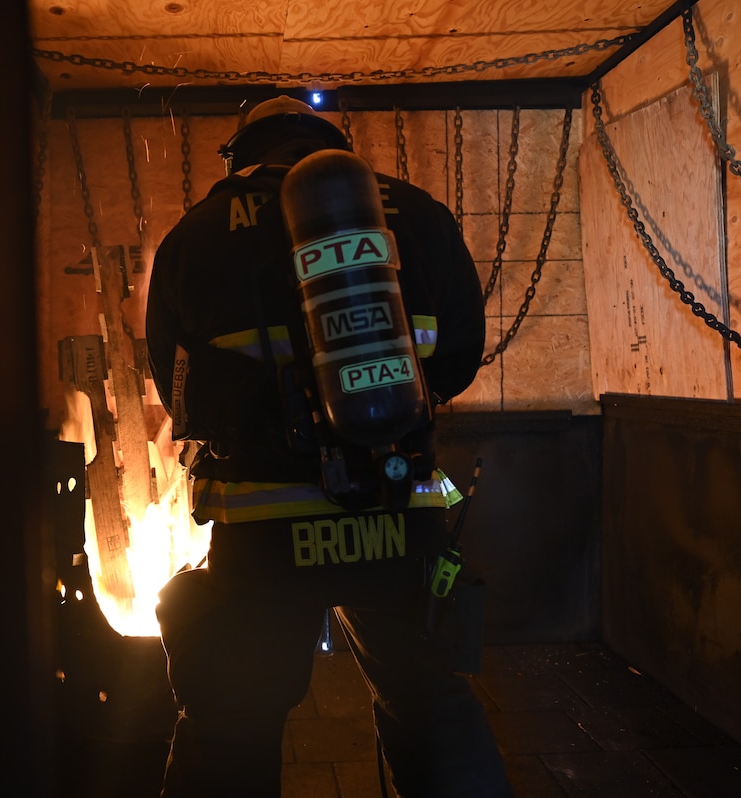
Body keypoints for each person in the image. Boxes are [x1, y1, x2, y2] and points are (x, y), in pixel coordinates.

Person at [145, 95, 511, 798]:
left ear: (244, 152)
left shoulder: (198, 232)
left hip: (261, 535)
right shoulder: (419, 216)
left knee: (231, 723)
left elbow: (179, 393)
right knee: (431, 705)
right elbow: (460, 357)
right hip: (396, 511)